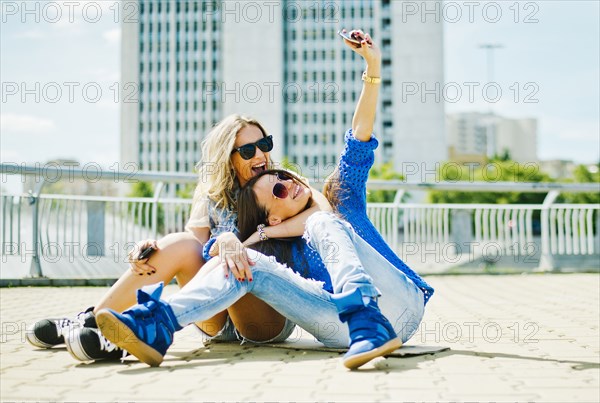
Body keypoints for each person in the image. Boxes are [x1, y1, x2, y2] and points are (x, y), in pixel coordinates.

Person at [94, 30, 434, 370]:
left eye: (286, 176)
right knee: (248, 264)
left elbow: (358, 137)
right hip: (341, 328)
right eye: (278, 190)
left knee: (320, 220)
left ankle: (365, 312)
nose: (289, 184)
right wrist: (237, 241)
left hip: (400, 303)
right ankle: (156, 324)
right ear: (271, 219)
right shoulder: (279, 245)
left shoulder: (339, 197)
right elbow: (200, 250)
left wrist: (372, 67)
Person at [26, 114, 330, 361]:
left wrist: (256, 236)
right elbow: (194, 248)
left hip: (265, 316)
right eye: (248, 150)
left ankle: (133, 332)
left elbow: (323, 212)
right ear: (228, 157)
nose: (261, 154)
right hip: (216, 316)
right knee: (177, 244)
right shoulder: (211, 193)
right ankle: (94, 321)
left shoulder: (283, 184)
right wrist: (152, 251)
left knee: (244, 258)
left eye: (264, 144)